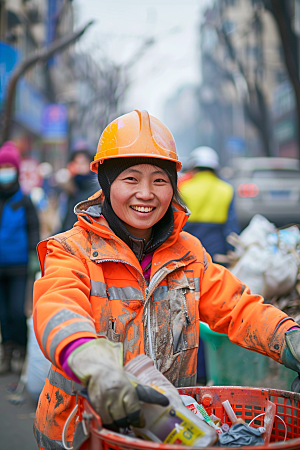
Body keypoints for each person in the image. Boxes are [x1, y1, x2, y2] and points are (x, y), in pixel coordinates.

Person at [33, 110, 300, 450]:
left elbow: (239, 307)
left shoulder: (188, 253)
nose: (146, 193)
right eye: (131, 179)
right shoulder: (72, 250)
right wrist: (91, 362)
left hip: (166, 432)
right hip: (83, 434)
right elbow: (58, 309)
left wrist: (290, 338)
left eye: (159, 180)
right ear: (106, 183)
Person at [0, 141, 40, 374]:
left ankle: (20, 351)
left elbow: (33, 230)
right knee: (3, 314)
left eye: (8, 166)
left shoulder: (24, 200)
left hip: (19, 266)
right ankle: (6, 352)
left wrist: (35, 256)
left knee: (17, 311)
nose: (4, 171)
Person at [179, 146, 240, 262]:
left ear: (193, 167)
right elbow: (230, 224)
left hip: (188, 241)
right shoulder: (226, 189)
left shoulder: (183, 188)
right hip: (216, 243)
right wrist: (231, 248)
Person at [58, 141, 97, 232]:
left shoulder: (97, 191)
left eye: (83, 163)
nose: (79, 167)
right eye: (76, 162)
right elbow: (65, 223)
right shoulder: (71, 191)